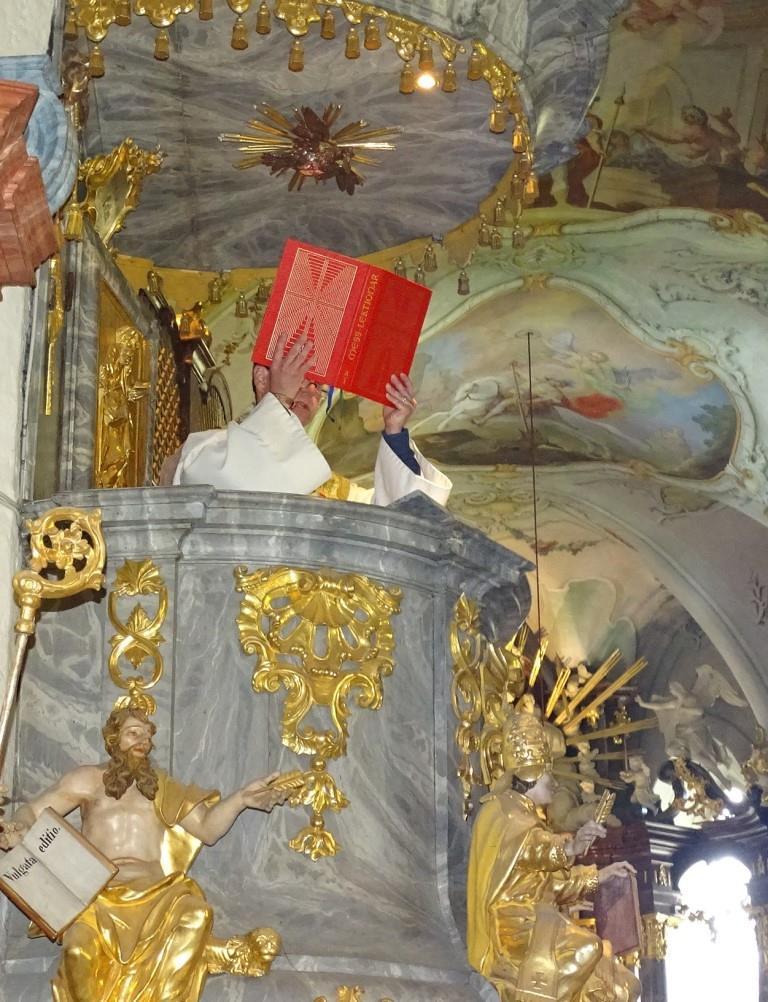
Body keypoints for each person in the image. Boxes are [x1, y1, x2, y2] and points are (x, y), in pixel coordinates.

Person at [0, 707, 288, 1002]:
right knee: (76, 952)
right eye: (134, 733)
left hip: (157, 895)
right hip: (96, 897)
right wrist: (18, 828)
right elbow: (32, 811)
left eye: (148, 736)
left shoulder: (161, 786)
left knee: (197, 915)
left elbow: (207, 828)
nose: (143, 742)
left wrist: (241, 799)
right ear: (113, 739)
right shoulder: (87, 779)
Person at [467, 710, 640, 1002]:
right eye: (550, 774)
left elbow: (550, 885)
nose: (556, 784)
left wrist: (601, 876)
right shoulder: (506, 814)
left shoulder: (527, 817)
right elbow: (535, 849)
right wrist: (571, 847)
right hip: (513, 925)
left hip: (539, 919)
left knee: (622, 986)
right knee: (588, 950)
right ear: (534, 774)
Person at [168, 331, 452, 506]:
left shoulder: (336, 489)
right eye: (301, 379)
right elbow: (236, 484)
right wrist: (279, 397)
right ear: (261, 377)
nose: (312, 393)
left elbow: (401, 518)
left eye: (318, 386)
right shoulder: (207, 450)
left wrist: (395, 432)